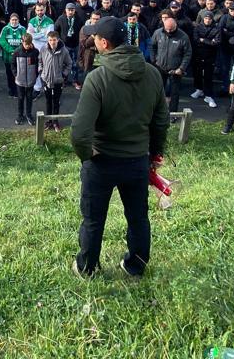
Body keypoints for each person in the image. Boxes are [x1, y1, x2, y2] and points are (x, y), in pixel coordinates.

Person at [71, 16, 168, 278]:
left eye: (95, 38)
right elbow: (161, 121)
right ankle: (136, 266)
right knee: (138, 217)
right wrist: (155, 154)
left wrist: (86, 157)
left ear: (104, 43)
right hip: (137, 160)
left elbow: (80, 133)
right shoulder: (152, 73)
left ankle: (88, 267)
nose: (92, 40)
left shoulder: (97, 78)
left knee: (93, 219)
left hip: (101, 160)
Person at [149, 13, 192, 113]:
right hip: (160, 67)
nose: (168, 31)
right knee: (158, 91)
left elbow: (187, 54)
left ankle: (173, 113)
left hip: (175, 70)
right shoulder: (158, 33)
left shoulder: (183, 36)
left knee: (174, 93)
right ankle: (158, 112)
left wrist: (181, 68)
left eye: (171, 29)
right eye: (167, 29)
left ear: (175, 26)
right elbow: (152, 46)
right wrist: (154, 60)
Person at [37, 30, 71, 130]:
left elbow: (69, 64)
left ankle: (55, 121)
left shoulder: (64, 50)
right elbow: (40, 61)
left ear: (58, 40)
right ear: (48, 40)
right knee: (48, 101)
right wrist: (41, 71)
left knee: (56, 102)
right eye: (50, 40)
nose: (52, 42)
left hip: (58, 81)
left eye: (54, 40)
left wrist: (63, 75)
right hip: (46, 80)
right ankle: (48, 121)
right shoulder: (43, 49)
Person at [13, 32, 40, 125]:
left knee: (29, 98)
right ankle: (20, 115)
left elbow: (38, 65)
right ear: (22, 42)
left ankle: (29, 114)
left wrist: (36, 75)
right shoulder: (17, 52)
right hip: (20, 80)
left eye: (29, 44)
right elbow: (13, 64)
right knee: (20, 98)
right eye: (25, 44)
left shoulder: (35, 52)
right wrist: (16, 74)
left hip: (31, 80)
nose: (27, 46)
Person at [0, 13, 25, 98]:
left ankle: (18, 90)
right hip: (7, 57)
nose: (14, 21)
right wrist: (10, 50)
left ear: (18, 20)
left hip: (19, 56)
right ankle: (11, 89)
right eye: (12, 20)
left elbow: (25, 41)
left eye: (16, 20)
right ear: (10, 20)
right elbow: (2, 41)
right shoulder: (5, 29)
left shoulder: (23, 29)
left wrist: (17, 51)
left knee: (19, 74)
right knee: (9, 74)